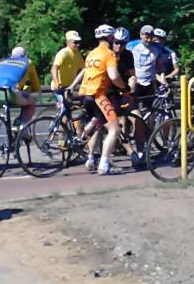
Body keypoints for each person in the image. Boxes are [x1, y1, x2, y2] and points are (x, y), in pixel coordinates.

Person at [0, 46, 41, 170]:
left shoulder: (2, 62)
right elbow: (36, 87)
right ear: (25, 55)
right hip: (10, 91)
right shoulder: (28, 62)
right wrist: (29, 90)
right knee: (31, 101)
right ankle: (21, 125)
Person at [79, 24, 130, 175]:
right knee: (115, 129)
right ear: (110, 37)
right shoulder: (109, 54)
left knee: (99, 124)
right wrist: (124, 87)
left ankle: (90, 157)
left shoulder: (91, 53)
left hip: (85, 94)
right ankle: (104, 165)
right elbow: (114, 76)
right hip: (98, 95)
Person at [111, 27, 147, 168]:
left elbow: (132, 74)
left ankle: (141, 152)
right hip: (111, 93)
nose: (119, 46)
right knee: (120, 123)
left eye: (123, 43)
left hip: (125, 92)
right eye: (117, 42)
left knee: (138, 119)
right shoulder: (108, 55)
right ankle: (130, 152)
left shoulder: (128, 55)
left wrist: (132, 84)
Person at [51, 30, 85, 135]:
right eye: (75, 42)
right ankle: (58, 132)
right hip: (59, 87)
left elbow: (84, 69)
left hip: (69, 87)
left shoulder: (77, 54)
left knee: (69, 112)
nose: (78, 45)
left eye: (79, 42)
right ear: (68, 42)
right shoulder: (63, 53)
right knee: (65, 110)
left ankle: (67, 137)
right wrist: (56, 81)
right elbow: (54, 68)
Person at [126, 24, 165, 113]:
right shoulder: (131, 46)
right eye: (146, 37)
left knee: (150, 109)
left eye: (151, 37)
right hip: (136, 82)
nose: (149, 40)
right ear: (141, 35)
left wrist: (163, 80)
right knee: (132, 108)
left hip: (150, 81)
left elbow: (160, 66)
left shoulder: (157, 47)